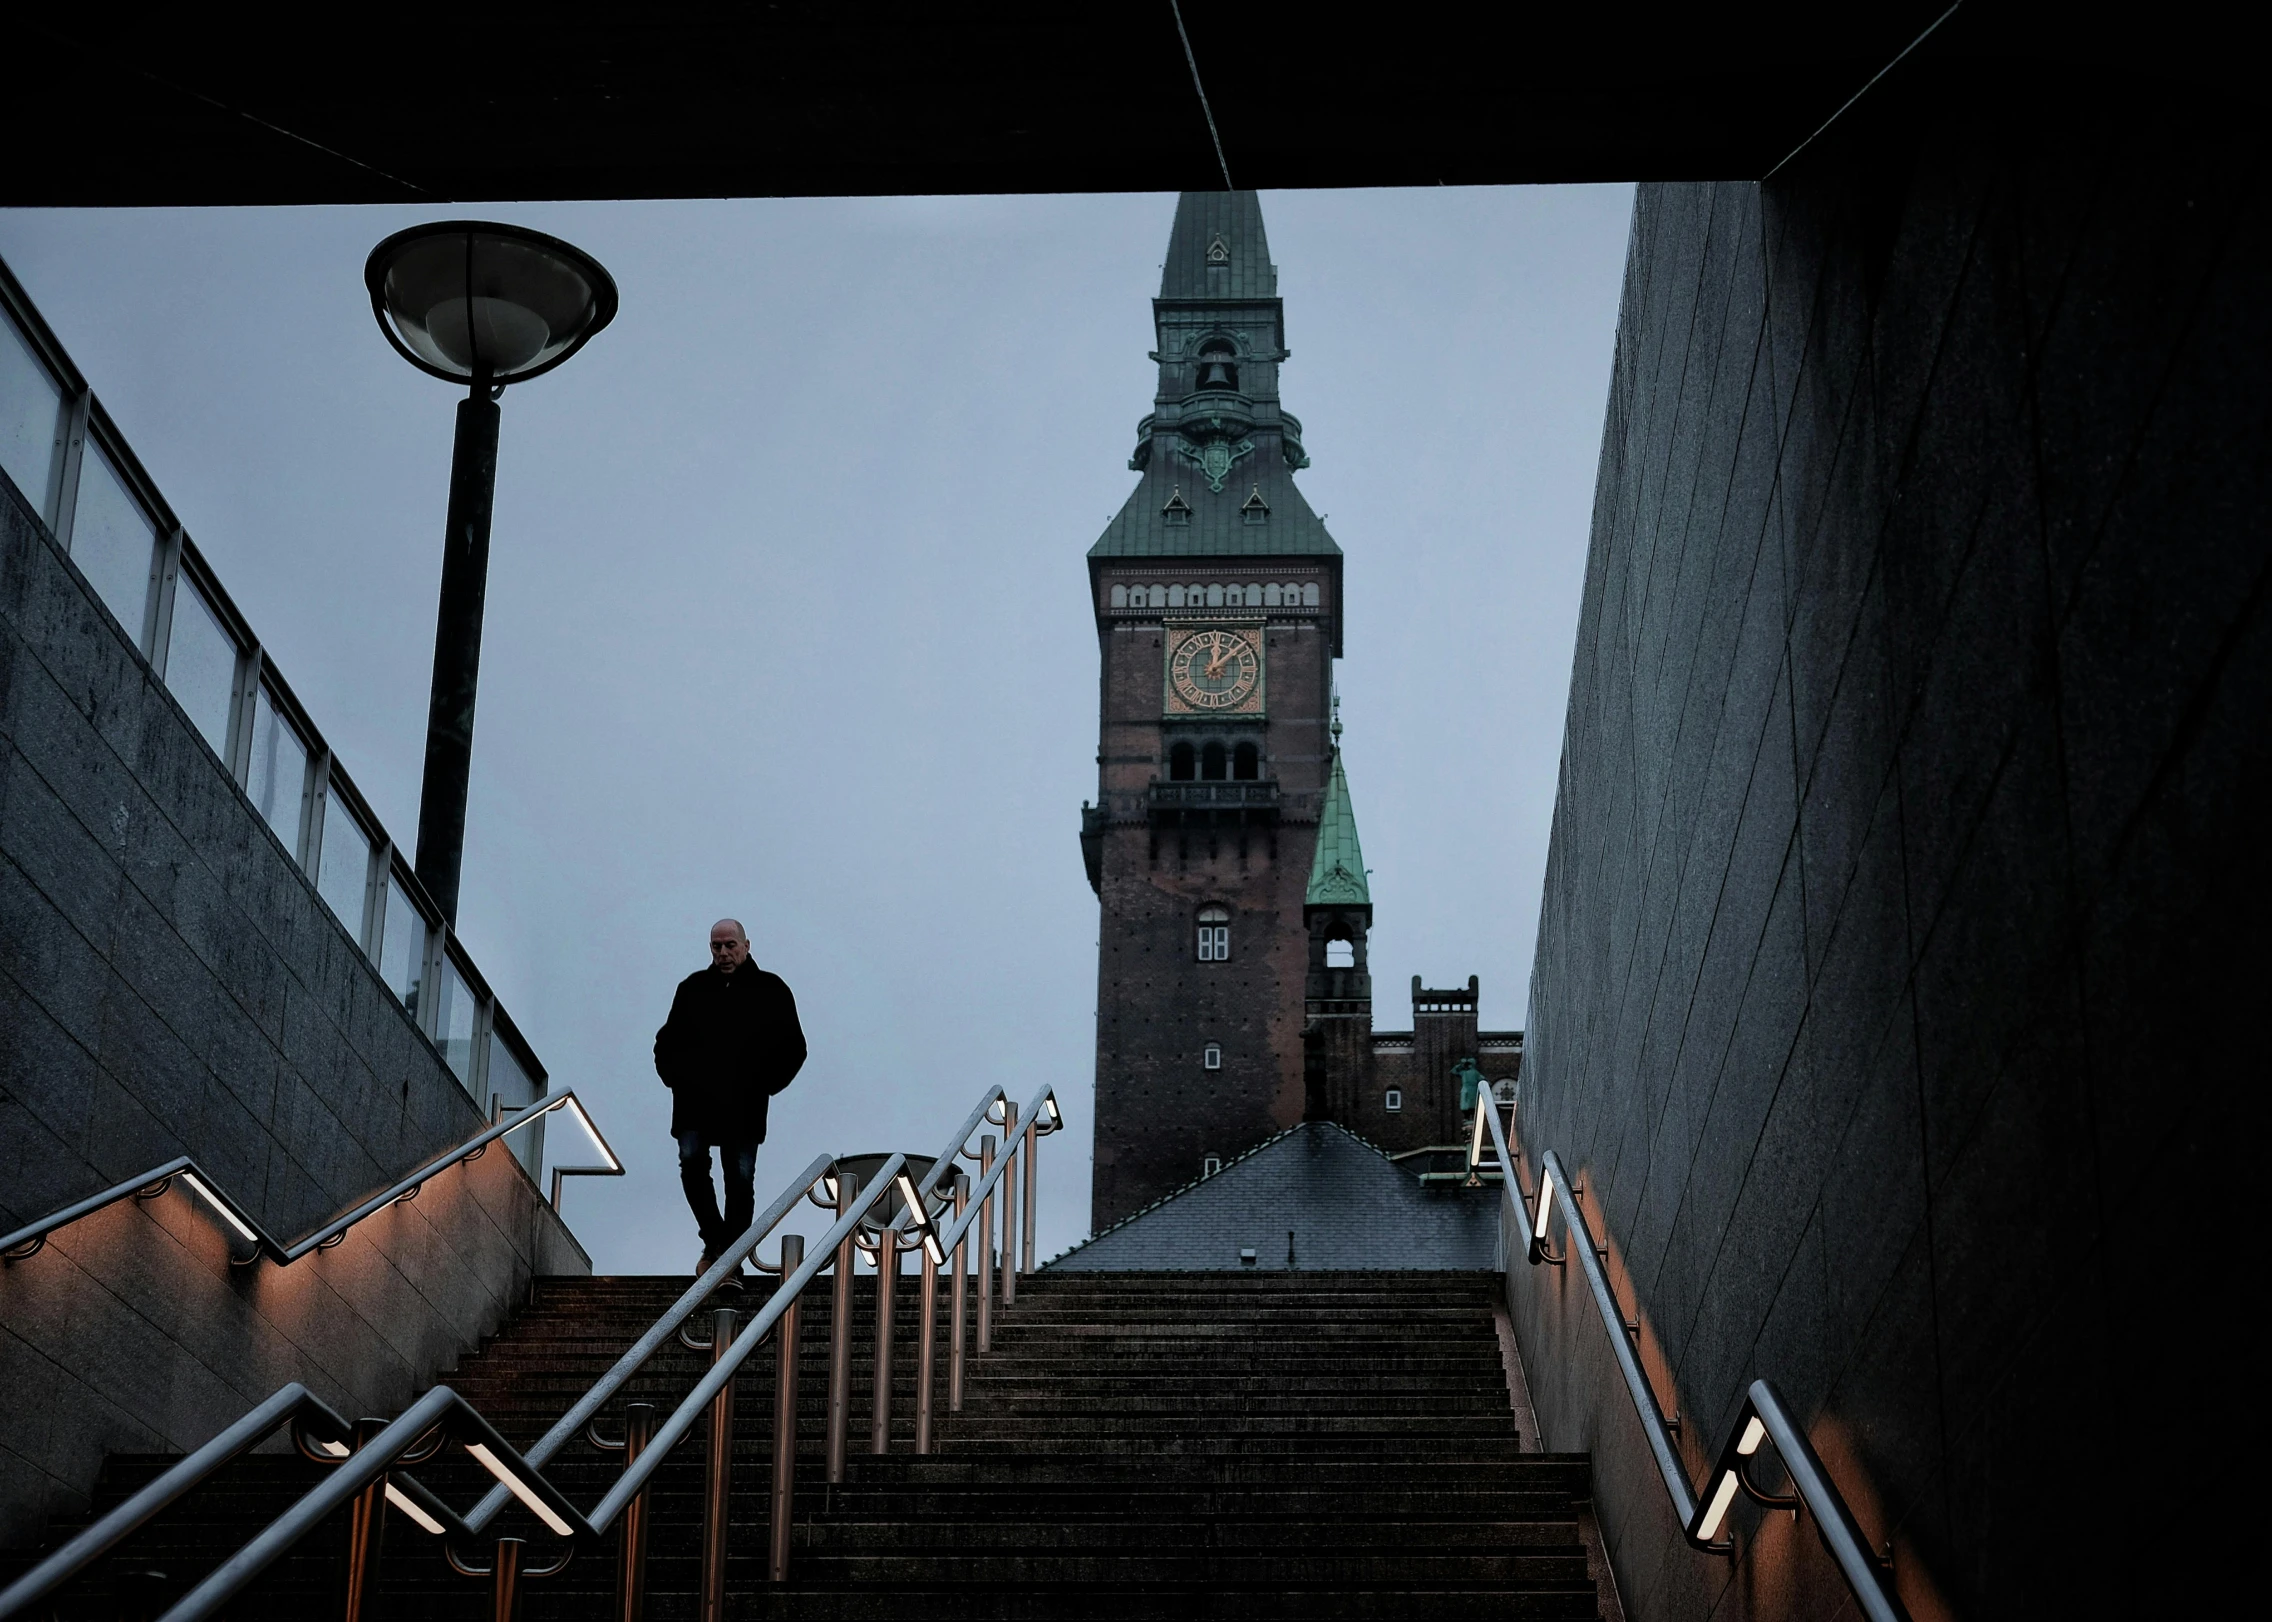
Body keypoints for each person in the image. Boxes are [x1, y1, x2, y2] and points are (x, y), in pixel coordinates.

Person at [653, 918, 807, 1273]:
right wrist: (675, 1078)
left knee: (739, 1179)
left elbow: (795, 1047)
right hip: (694, 1103)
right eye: (716, 946)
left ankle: (727, 1256)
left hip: (743, 1104)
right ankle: (717, 1244)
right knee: (693, 1166)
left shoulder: (771, 989)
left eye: (729, 945)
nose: (723, 952)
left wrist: (765, 1084)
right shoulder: (692, 988)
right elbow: (666, 1041)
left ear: (746, 945)